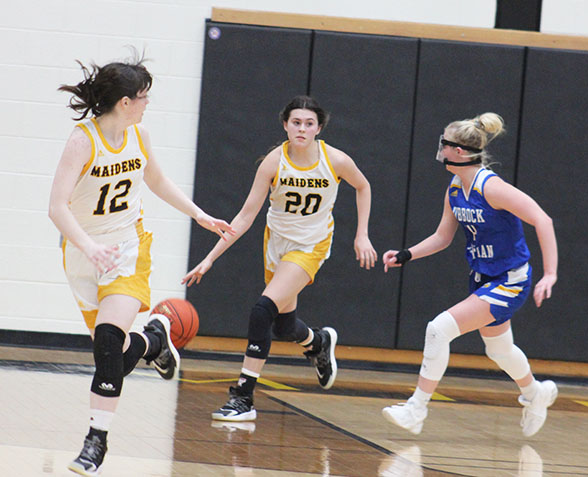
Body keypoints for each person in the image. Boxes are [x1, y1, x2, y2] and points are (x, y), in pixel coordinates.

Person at [49, 52, 234, 476]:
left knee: (109, 343)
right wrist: (88, 247)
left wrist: (200, 215)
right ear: (125, 101)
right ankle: (154, 340)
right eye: (144, 96)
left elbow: (156, 181)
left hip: (129, 249)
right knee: (110, 355)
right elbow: (57, 207)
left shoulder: (140, 135)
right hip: (83, 253)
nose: (149, 102)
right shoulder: (83, 141)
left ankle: (96, 441)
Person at [182, 95, 377, 421]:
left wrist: (362, 234)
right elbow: (244, 217)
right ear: (285, 125)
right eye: (296, 122)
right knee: (284, 326)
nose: (302, 128)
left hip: (311, 246)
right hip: (277, 246)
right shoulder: (273, 162)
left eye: (309, 123)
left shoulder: (336, 160)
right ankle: (318, 343)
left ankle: (243, 398)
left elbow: (364, 186)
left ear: (318, 128)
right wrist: (210, 258)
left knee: (262, 312)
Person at [381, 113, 558, 437]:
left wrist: (549, 274)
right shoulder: (454, 186)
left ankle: (416, 409)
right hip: (483, 276)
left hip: (510, 279)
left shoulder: (492, 188)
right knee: (499, 350)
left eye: (445, 144)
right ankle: (536, 393)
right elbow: (442, 237)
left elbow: (542, 220)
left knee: (438, 330)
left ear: (458, 151)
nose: (440, 150)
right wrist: (406, 254)